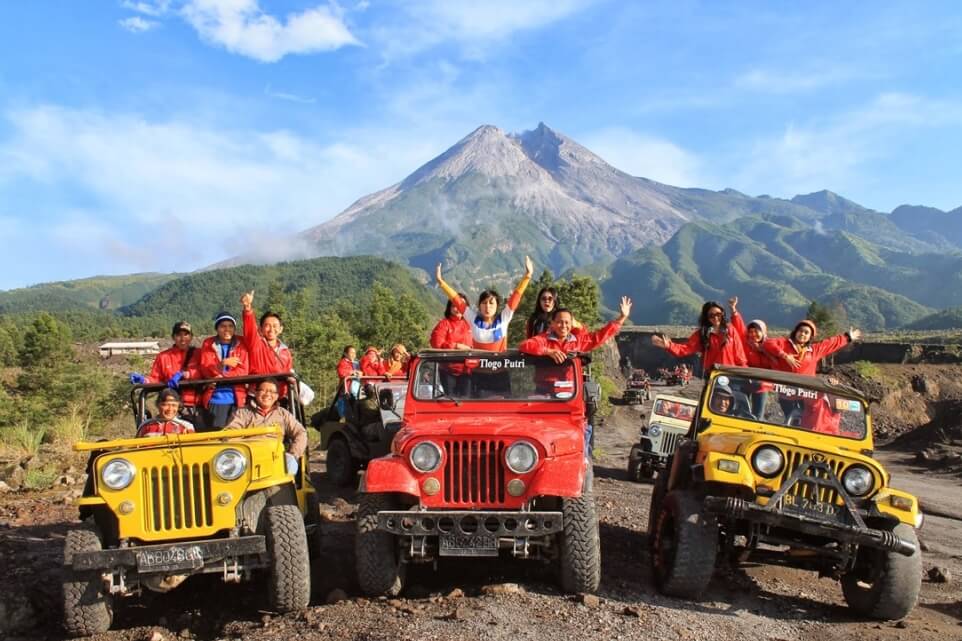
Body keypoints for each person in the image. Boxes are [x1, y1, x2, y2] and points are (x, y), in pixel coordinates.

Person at [519, 296, 632, 458]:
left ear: (572, 324)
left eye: (567, 322)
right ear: (551, 323)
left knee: (578, 430)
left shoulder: (578, 342)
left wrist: (621, 318)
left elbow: (599, 336)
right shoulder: (544, 340)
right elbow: (525, 345)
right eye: (559, 321)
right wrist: (548, 352)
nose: (563, 325)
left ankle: (582, 460)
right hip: (545, 392)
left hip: (569, 395)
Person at [436, 256, 533, 351]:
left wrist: (527, 276)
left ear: (497, 306)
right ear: (479, 305)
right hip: (477, 366)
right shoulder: (473, 319)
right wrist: (441, 283)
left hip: (500, 366)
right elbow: (457, 301)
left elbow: (516, 297)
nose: (487, 307)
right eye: (484, 303)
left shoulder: (504, 319)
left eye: (491, 303)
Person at [225, 378, 307, 474]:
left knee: (290, 464)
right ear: (255, 393)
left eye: (272, 391)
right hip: (249, 457)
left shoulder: (283, 414)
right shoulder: (242, 413)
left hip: (276, 457)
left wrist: (293, 454)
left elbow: (300, 432)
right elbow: (230, 434)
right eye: (263, 390)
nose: (267, 394)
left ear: (277, 396)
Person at [129, 321, 201, 423]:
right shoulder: (164, 357)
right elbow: (155, 378)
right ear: (173, 337)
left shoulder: (199, 354)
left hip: (197, 404)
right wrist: (144, 380)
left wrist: (185, 374)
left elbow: (205, 371)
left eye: (186, 334)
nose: (182, 338)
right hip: (172, 407)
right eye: (179, 335)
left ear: (191, 337)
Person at [651, 301, 747, 376]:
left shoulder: (730, 330)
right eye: (711, 315)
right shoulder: (703, 334)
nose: (716, 318)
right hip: (712, 376)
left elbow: (740, 355)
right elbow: (686, 348)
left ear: (722, 314)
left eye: (718, 314)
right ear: (707, 317)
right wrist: (668, 345)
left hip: (731, 375)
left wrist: (745, 374)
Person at [196, 311, 249, 430]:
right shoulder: (208, 344)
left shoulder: (242, 343)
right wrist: (222, 364)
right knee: (217, 436)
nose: (227, 329)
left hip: (237, 399)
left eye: (230, 326)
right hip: (215, 398)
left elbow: (243, 371)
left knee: (237, 436)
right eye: (223, 326)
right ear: (217, 328)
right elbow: (205, 369)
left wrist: (222, 374)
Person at [239, 290, 294, 396]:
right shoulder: (255, 344)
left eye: (275, 326)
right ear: (260, 329)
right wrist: (247, 308)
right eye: (267, 325)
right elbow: (250, 328)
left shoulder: (285, 351)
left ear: (281, 329)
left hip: (278, 397)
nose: (271, 329)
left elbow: (288, 374)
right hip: (257, 395)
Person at [764, 319, 862, 376]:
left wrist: (847, 337)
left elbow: (831, 343)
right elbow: (768, 343)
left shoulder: (814, 350)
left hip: (807, 394)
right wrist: (784, 355)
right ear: (795, 332)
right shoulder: (784, 343)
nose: (802, 334)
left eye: (806, 332)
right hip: (785, 392)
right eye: (800, 331)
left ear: (810, 337)